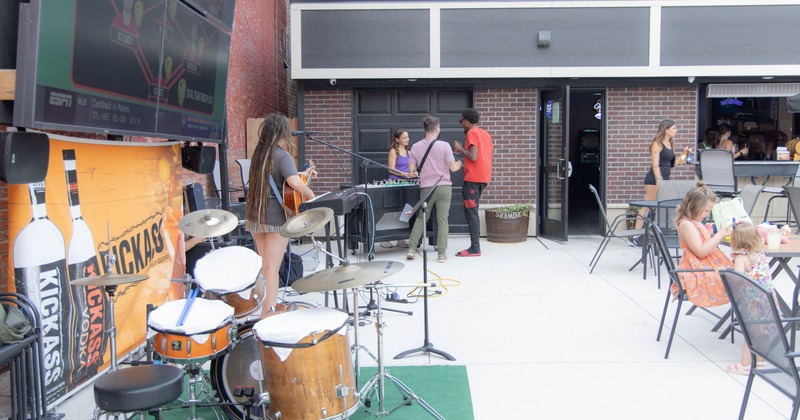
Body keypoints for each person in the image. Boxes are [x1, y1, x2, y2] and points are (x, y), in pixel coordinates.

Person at [245, 113, 315, 315]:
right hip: (276, 217)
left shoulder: (259, 156)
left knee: (263, 265)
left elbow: (282, 183)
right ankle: (268, 313)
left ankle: (261, 307)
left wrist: (306, 176)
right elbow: (293, 183)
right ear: (283, 133)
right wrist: (310, 192)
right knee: (272, 268)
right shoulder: (282, 155)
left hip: (256, 215)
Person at [405, 115, 462, 263]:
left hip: (426, 188)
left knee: (421, 217)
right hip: (444, 187)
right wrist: (460, 162)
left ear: (425, 129)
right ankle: (441, 254)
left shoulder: (416, 147)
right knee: (442, 220)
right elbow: (453, 168)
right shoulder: (444, 145)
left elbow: (411, 171)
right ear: (437, 129)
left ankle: (411, 248)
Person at [671, 182, 734, 306]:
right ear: (694, 207)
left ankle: (746, 316)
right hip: (698, 269)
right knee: (742, 278)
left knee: (745, 272)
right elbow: (700, 252)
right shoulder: (686, 224)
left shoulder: (693, 222)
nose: (707, 214)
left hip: (705, 265)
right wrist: (720, 235)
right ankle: (748, 317)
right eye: (705, 211)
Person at [632, 120, 694, 237]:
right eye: (674, 128)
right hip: (655, 179)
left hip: (665, 180)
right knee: (648, 206)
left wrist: (684, 155)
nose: (676, 131)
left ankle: (668, 231)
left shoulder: (670, 143)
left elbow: (672, 164)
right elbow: (655, 164)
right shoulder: (657, 143)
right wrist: (659, 180)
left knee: (671, 204)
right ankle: (635, 236)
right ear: (666, 129)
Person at [726, 221, 772, 375]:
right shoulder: (760, 253)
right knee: (760, 331)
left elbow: (737, 278)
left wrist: (727, 275)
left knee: (749, 332)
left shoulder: (741, 257)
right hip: (767, 299)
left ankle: (745, 364)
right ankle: (759, 362)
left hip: (752, 301)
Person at [453, 108, 493, 257]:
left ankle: (475, 248)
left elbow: (474, 156)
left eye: (461, 121)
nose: (461, 124)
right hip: (482, 178)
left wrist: (460, 149)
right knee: (473, 212)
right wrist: (463, 151)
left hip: (473, 180)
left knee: (472, 213)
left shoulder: (472, 133)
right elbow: (484, 156)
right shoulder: (486, 134)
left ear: (466, 121)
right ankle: (475, 246)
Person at [382, 128, 414, 248]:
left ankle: (401, 238)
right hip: (395, 183)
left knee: (406, 209)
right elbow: (391, 169)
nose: (407, 140)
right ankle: (385, 239)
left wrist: (413, 173)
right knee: (392, 210)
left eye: (408, 137)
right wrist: (405, 174)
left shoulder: (409, 152)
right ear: (397, 139)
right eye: (404, 138)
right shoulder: (393, 152)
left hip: (407, 184)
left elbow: (411, 168)